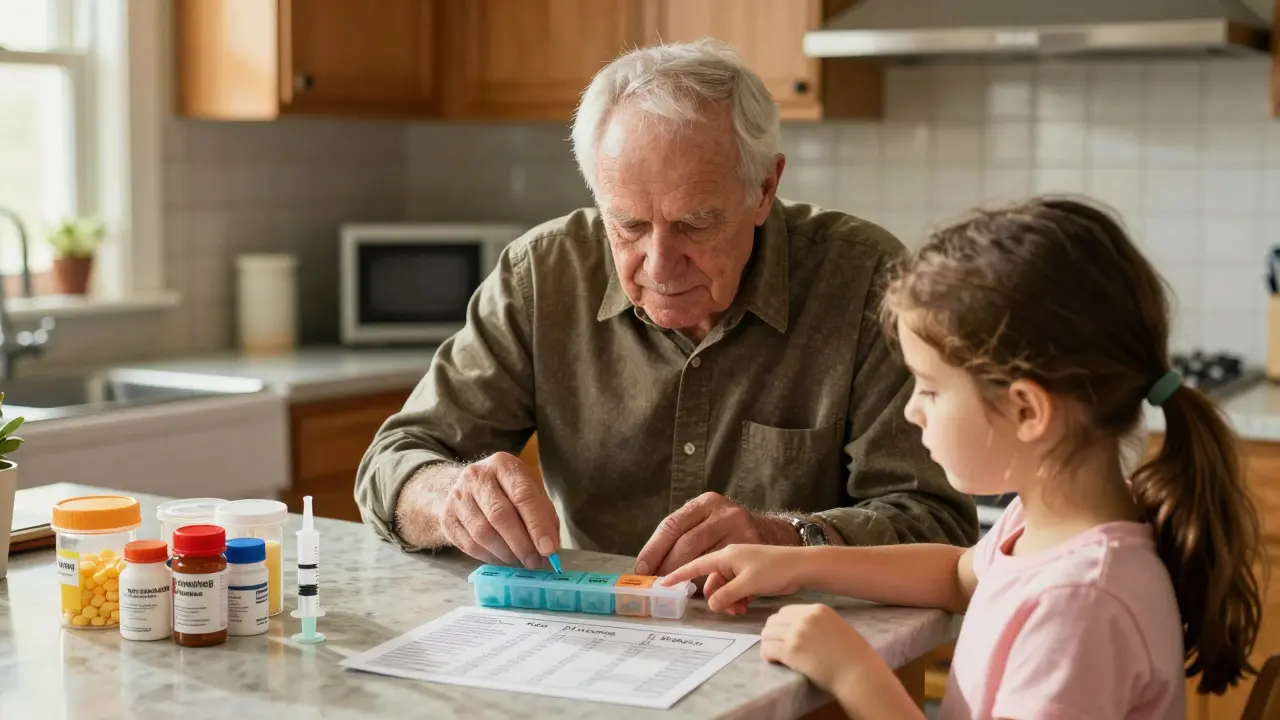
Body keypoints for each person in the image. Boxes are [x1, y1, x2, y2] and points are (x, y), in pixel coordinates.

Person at [354, 39, 977, 576]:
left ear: (764, 189)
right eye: (626, 225)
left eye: (695, 224)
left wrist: (786, 539)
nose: (658, 264)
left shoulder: (866, 282)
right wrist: (451, 498)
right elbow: (395, 461)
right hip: (597, 640)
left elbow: (938, 523)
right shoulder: (542, 276)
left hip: (808, 646)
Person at [663, 197, 1264, 719]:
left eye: (929, 388)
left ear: (1028, 411)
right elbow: (956, 575)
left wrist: (853, 673)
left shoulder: (1081, 604)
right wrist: (794, 562)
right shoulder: (1046, 526)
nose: (911, 412)